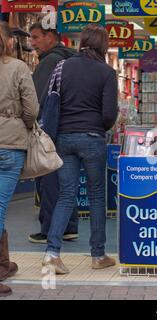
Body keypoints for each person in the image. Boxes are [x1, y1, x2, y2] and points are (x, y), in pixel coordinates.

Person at [42, 24, 118, 274]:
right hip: (93, 137)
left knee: (66, 195)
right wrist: (98, 126)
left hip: (63, 138)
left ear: (82, 41)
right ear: (103, 45)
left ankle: (52, 254)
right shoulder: (106, 72)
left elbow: (49, 100)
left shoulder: (63, 67)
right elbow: (109, 114)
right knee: (97, 197)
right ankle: (98, 255)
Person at [28, 22, 78, 244]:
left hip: (49, 127)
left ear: (50, 37)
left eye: (37, 37)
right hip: (68, 126)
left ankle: (48, 228)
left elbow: (35, 98)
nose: (33, 42)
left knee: (48, 179)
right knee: (66, 181)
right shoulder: (71, 59)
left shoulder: (49, 61)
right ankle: (69, 226)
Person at [0, 22, 39, 296]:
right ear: (7, 43)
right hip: (9, 144)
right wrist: (20, 124)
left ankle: (3, 264)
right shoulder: (17, 68)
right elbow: (32, 109)